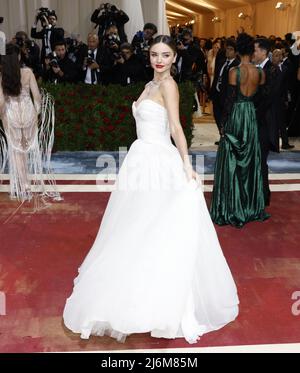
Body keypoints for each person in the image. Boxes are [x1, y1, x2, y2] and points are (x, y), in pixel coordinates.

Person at [63, 35, 239, 344]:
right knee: (134, 225)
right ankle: (134, 288)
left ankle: (158, 299)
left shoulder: (169, 86)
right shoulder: (149, 86)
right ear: (150, 56)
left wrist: (186, 164)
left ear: (174, 58)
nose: (159, 59)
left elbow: (175, 127)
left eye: (166, 54)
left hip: (158, 161)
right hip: (140, 157)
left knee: (152, 225)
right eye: (155, 54)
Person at [210, 33, 270, 228]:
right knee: (249, 161)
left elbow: (229, 100)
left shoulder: (234, 72)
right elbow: (261, 99)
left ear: (237, 50)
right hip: (250, 116)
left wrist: (223, 125)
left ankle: (230, 205)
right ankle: (248, 204)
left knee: (232, 159)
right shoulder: (260, 73)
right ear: (251, 50)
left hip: (236, 114)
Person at [0, 44, 61, 208]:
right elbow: (38, 98)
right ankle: (26, 182)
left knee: (17, 151)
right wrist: (37, 114)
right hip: (28, 114)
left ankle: (23, 184)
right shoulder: (27, 73)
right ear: (19, 56)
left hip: (12, 115)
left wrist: (3, 117)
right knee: (26, 148)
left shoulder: (2, 76)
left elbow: (0, 102)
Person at [253, 38, 280, 206]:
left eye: (255, 50)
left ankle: (263, 196)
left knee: (261, 160)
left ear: (263, 52)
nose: (252, 53)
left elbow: (269, 98)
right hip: (257, 121)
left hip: (265, 122)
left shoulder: (273, 70)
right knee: (256, 160)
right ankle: (258, 194)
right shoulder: (255, 69)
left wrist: (252, 111)